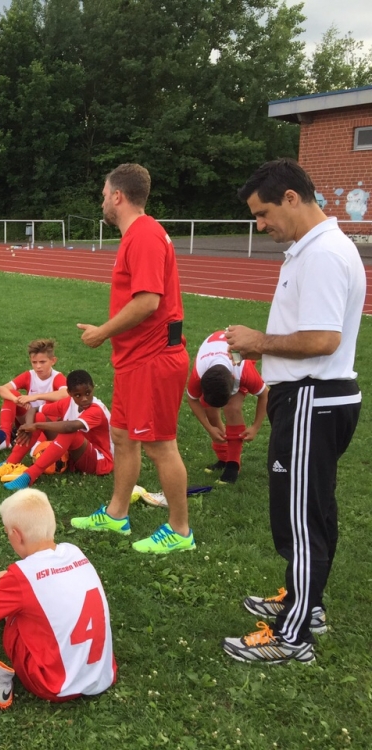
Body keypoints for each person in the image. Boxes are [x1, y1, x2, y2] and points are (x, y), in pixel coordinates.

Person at [223, 158, 364, 664]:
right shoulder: (314, 249)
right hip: (314, 397)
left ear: (290, 198)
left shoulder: (323, 253)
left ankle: (293, 635)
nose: (261, 226)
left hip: (312, 397)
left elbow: (323, 339)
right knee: (315, 508)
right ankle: (308, 604)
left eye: (263, 214)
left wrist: (257, 341)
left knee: (300, 518)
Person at [74, 163, 195, 554]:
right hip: (134, 359)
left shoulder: (143, 235)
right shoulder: (137, 235)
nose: (102, 202)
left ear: (118, 196)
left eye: (104, 195)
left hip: (153, 359)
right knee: (123, 437)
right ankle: (116, 514)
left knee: (160, 445)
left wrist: (103, 332)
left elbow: (147, 302)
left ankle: (180, 531)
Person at [0, 488, 116, 707]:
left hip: (52, 685)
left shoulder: (22, 575)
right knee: (7, 583)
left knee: (3, 589)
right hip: (101, 675)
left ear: (16, 535)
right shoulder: (74, 551)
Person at [0, 370, 113, 490]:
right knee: (39, 417)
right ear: (70, 393)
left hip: (99, 460)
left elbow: (70, 427)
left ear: (93, 388)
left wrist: (37, 426)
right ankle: (10, 463)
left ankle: (29, 475)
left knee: (69, 431)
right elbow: (34, 410)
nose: (84, 398)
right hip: (76, 451)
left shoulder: (96, 409)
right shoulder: (68, 402)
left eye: (88, 393)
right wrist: (29, 425)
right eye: (78, 395)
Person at [185, 330, 269, 485]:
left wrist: (255, 427)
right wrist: (210, 428)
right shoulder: (199, 373)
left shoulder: (242, 368)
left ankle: (233, 464)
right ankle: (224, 458)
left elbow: (265, 395)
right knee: (209, 409)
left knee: (232, 408)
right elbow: (192, 399)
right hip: (216, 355)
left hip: (238, 352)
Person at [0, 339, 69, 440]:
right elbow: (2, 389)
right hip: (28, 417)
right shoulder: (29, 375)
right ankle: (5, 436)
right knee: (11, 394)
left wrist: (35, 397)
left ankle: (30, 437)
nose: (38, 366)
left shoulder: (57, 377)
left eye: (42, 362)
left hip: (47, 422)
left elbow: (66, 394)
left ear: (53, 361)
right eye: (34, 362)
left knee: (40, 426)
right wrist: (15, 400)